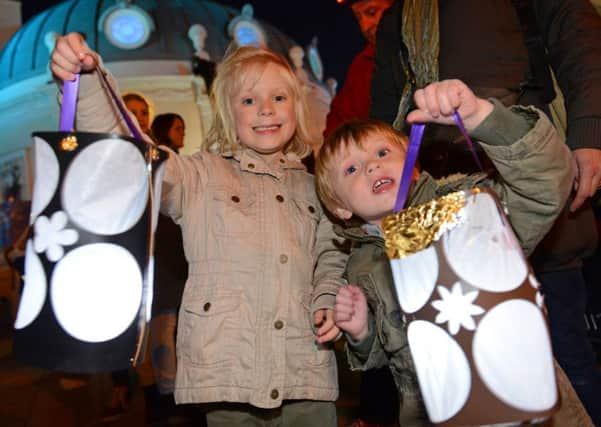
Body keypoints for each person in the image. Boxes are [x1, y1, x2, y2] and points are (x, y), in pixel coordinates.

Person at [50, 33, 347, 427]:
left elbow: (332, 250)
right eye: (248, 100)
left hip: (305, 369)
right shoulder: (199, 176)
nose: (265, 110)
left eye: (279, 98)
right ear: (228, 112)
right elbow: (132, 153)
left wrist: (327, 294)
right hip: (227, 373)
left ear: (297, 106)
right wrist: (87, 82)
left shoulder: (315, 187)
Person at [369, 1, 601, 422]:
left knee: (563, 362)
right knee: (465, 376)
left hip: (525, 180)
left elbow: (580, 42)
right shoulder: (400, 12)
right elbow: (386, 109)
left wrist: (590, 129)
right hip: (442, 216)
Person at [315, 79, 592, 426]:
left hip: (519, 391)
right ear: (339, 207)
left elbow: (544, 184)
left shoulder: (463, 207)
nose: (371, 166)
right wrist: (362, 332)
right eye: (351, 169)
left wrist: (481, 116)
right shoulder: (361, 263)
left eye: (382, 153)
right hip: (431, 411)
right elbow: (386, 353)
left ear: (412, 162)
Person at [324, 2, 398, 426]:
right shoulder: (362, 68)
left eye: (376, 10)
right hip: (380, 225)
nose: (369, 24)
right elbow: (332, 140)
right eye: (361, 17)